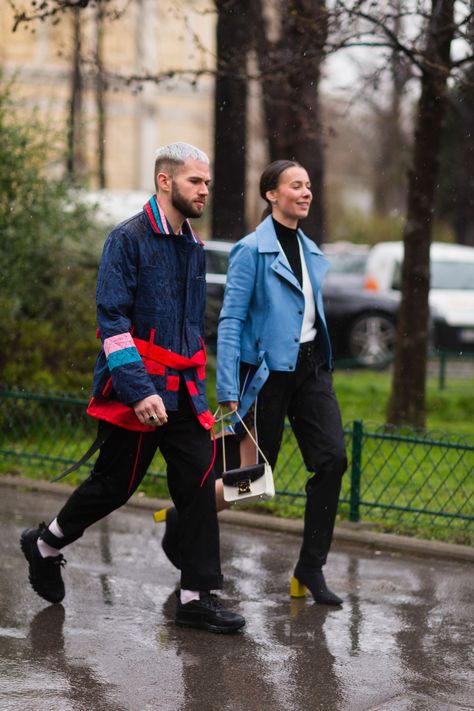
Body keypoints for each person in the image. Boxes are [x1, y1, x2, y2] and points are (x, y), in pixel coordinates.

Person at [20, 142, 245, 634]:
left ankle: (195, 595)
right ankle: (45, 543)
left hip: (184, 396)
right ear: (165, 182)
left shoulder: (192, 243)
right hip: (138, 394)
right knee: (113, 487)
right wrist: (137, 390)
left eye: (206, 182)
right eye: (195, 181)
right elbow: (112, 323)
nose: (204, 189)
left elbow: (187, 327)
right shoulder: (126, 239)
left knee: (200, 486)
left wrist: (205, 388)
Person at [216, 159, 347, 605]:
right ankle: (184, 519)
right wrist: (227, 391)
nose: (306, 192)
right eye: (296, 185)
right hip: (265, 377)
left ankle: (311, 567)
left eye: (309, 185)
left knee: (332, 461)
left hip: (311, 370)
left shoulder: (310, 248)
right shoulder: (251, 250)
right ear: (272, 194)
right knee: (249, 480)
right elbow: (231, 320)